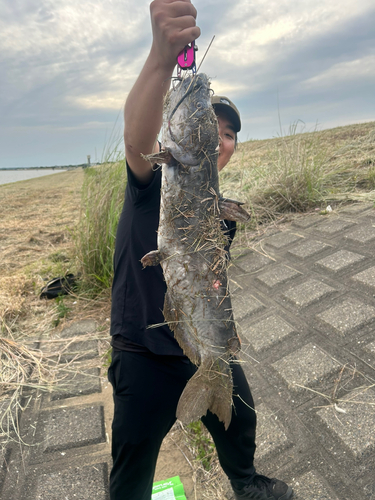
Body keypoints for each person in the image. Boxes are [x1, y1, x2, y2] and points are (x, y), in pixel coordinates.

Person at [108, 1, 294, 499]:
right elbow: (135, 139)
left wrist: (220, 343)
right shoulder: (156, 177)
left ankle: (247, 484)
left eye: (228, 132)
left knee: (241, 420)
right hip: (142, 349)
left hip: (201, 341)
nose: (219, 137)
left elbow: (211, 283)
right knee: (130, 468)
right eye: (211, 124)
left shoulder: (221, 212)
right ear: (178, 134)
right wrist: (162, 57)